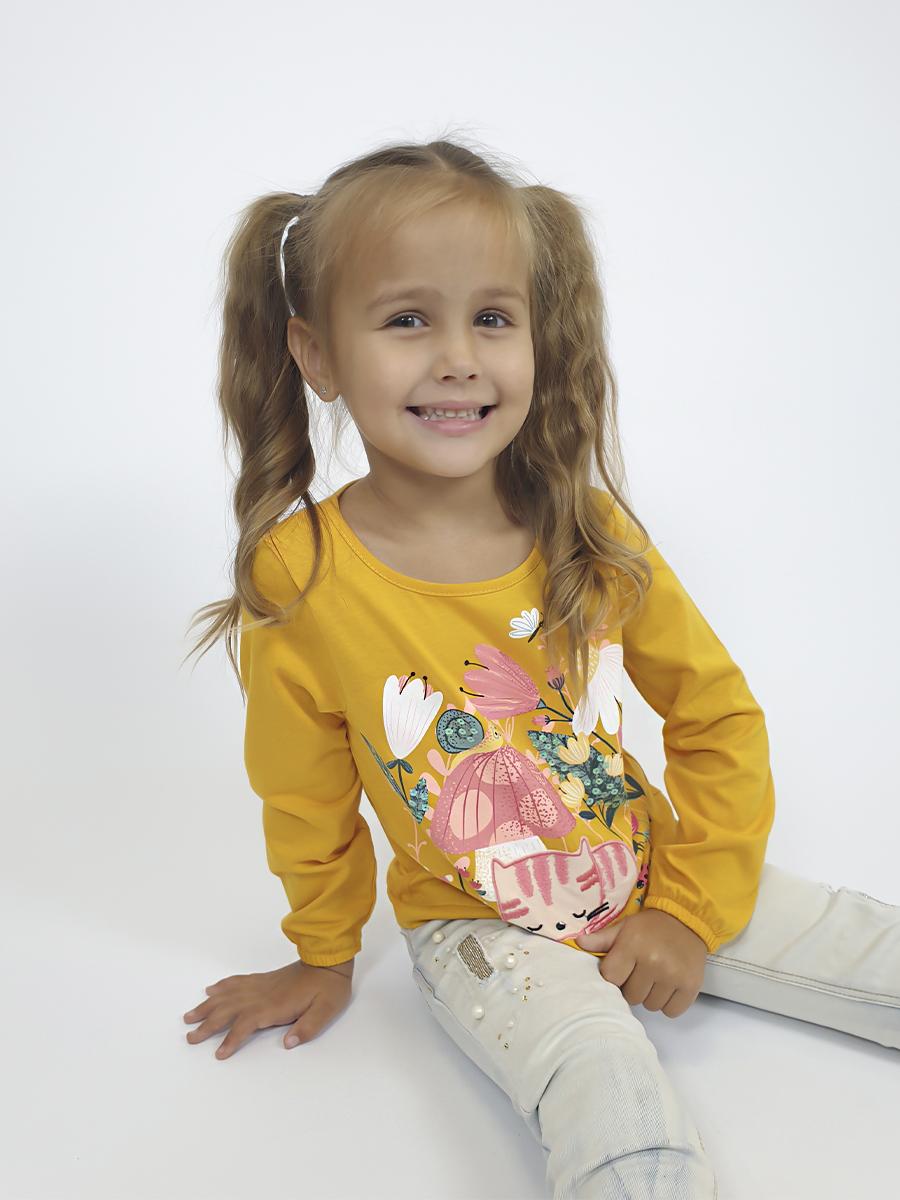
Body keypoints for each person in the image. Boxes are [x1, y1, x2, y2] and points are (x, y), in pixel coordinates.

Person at [180, 136, 900, 1199]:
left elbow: (715, 713)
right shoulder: (301, 576)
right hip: (478, 927)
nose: (458, 358)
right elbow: (304, 790)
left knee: (867, 944)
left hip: (647, 868)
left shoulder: (585, 527)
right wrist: (324, 953)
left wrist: (686, 908)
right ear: (317, 354)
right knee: (602, 1078)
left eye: (492, 318)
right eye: (407, 319)